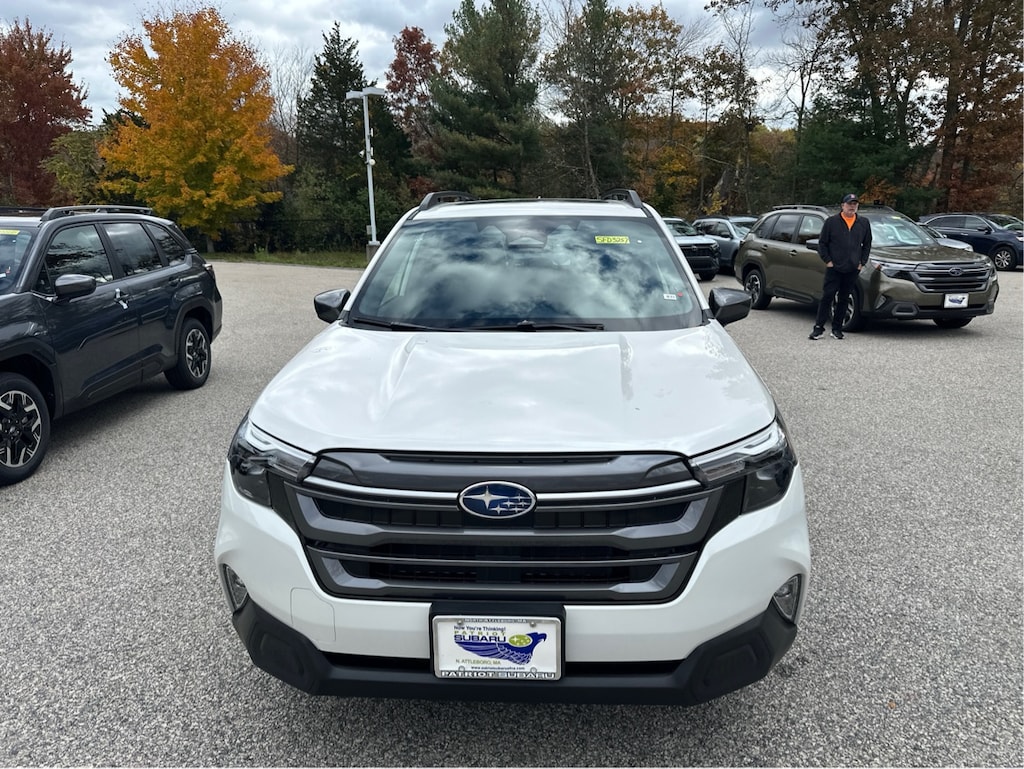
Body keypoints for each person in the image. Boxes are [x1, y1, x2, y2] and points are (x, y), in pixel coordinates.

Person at [809, 193, 872, 340]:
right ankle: (818, 328)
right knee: (828, 297)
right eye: (849, 204)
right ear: (842, 205)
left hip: (852, 268)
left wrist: (861, 262)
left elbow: (867, 244)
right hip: (834, 267)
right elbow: (822, 243)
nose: (852, 206)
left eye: (855, 204)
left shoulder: (863, 222)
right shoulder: (832, 222)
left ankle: (837, 328)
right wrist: (828, 261)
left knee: (844, 298)